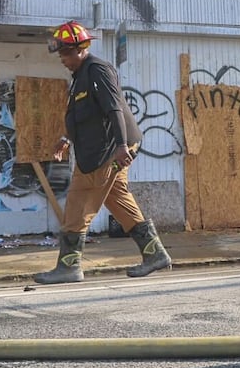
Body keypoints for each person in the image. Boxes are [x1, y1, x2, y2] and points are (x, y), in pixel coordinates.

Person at [33, 21, 173, 284]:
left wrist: (121, 146)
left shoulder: (97, 70)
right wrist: (66, 138)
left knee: (78, 200)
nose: (61, 59)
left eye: (64, 53)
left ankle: (69, 267)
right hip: (103, 148)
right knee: (117, 197)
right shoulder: (80, 77)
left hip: (107, 151)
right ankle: (155, 254)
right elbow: (85, 117)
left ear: (79, 49)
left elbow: (114, 109)